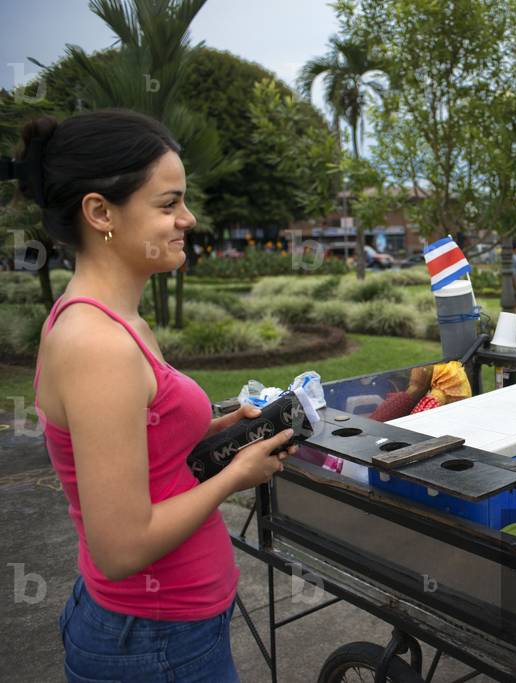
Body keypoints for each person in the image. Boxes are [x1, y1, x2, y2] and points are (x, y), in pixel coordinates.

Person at [8, 110, 298, 682]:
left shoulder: (117, 321)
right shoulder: (98, 345)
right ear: (100, 212)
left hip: (168, 631)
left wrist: (214, 430)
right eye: (168, 205)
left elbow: (143, 443)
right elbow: (119, 547)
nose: (187, 219)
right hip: (153, 644)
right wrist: (235, 476)